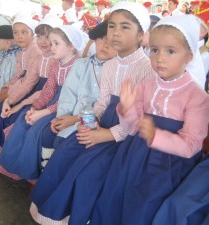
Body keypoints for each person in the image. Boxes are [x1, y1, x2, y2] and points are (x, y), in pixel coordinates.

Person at [30, 2, 154, 224]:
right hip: (101, 123)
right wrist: (88, 123)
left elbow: (140, 119)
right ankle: (54, 214)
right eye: (112, 26)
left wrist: (106, 135)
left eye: (125, 27)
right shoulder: (110, 66)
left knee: (90, 172)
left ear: (141, 35)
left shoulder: (147, 70)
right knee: (66, 152)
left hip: (127, 136)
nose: (115, 33)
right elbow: (103, 103)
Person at [89, 14, 209, 225]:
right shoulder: (147, 85)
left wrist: (155, 135)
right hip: (133, 155)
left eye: (170, 51)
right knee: (115, 193)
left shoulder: (197, 97)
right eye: (154, 50)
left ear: (189, 56)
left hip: (167, 165)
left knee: (144, 205)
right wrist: (127, 109)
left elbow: (191, 145)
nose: (160, 58)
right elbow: (132, 128)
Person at [0, 25, 87, 181]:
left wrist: (44, 112)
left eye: (56, 43)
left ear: (71, 45)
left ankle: (34, 174)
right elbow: (49, 90)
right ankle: (16, 167)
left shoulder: (78, 65)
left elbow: (70, 98)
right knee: (24, 120)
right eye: (51, 43)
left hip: (69, 107)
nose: (51, 47)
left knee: (36, 130)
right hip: (54, 101)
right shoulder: (56, 64)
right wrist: (34, 108)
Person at [0, 16, 62, 161]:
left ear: (31, 34)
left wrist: (10, 98)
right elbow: (18, 76)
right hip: (24, 89)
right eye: (16, 32)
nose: (19, 36)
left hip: (35, 93)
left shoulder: (38, 53)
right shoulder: (22, 52)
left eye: (24, 32)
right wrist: (6, 91)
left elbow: (31, 83)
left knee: (2, 111)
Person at [39, 20, 117, 169]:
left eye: (111, 41)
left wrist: (75, 120)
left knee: (71, 146)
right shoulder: (81, 64)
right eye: (101, 38)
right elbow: (69, 93)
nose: (105, 45)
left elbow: (104, 106)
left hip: (95, 123)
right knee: (48, 133)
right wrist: (61, 118)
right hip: (71, 115)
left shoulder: (116, 70)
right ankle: (46, 170)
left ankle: (57, 177)